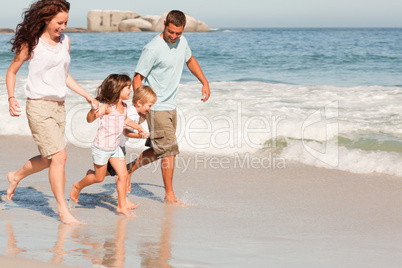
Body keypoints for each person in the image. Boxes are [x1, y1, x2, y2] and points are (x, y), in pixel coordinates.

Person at [6, 0, 98, 225]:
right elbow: (11, 72)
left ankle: (15, 175)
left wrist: (87, 95)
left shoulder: (65, 41)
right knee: (60, 157)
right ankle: (62, 210)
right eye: (59, 22)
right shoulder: (32, 43)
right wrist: (11, 98)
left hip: (59, 107)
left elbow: (64, 75)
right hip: (38, 106)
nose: (63, 27)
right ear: (46, 19)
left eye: (66, 23)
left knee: (49, 159)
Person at [130, 10, 210, 204]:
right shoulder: (152, 48)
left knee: (160, 151)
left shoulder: (182, 42)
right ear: (164, 24)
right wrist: (140, 107)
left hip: (171, 105)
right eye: (171, 32)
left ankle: (125, 170)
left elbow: (190, 60)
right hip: (156, 106)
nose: (174, 36)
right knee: (170, 149)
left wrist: (204, 82)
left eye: (178, 33)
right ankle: (169, 195)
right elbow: (137, 78)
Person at [69, 74, 145, 217]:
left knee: (123, 174)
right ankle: (77, 186)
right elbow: (90, 120)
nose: (130, 90)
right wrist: (93, 110)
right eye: (128, 87)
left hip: (115, 147)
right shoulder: (107, 107)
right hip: (102, 148)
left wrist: (138, 127)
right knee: (99, 178)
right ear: (118, 89)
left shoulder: (124, 106)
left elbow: (126, 120)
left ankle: (121, 206)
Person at [104, 85, 157, 209]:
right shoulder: (132, 114)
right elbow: (126, 132)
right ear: (139, 103)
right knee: (121, 174)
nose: (151, 108)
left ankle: (93, 174)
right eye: (149, 105)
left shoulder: (133, 111)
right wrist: (140, 136)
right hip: (116, 146)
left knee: (107, 174)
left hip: (117, 145)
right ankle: (124, 201)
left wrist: (140, 121)